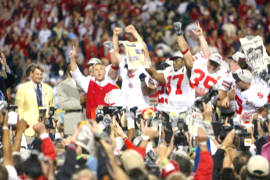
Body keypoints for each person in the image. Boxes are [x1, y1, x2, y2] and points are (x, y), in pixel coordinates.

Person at [69, 46, 120, 119]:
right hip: (93, 122)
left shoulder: (111, 83)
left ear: (105, 70)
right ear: (93, 72)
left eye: (100, 69)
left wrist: (105, 108)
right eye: (95, 69)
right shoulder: (89, 83)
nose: (98, 71)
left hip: (110, 120)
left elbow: (115, 65)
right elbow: (77, 74)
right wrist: (72, 59)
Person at [15, 64, 55, 142]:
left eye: (41, 74)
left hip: (45, 129)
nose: (39, 76)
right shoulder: (22, 88)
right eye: (37, 74)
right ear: (31, 74)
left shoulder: (48, 89)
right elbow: (19, 110)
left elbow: (52, 108)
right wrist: (21, 128)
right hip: (29, 129)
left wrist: (52, 124)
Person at [57, 63, 82, 136]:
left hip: (84, 121)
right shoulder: (62, 85)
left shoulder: (84, 82)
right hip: (71, 120)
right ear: (68, 71)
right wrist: (80, 103)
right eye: (72, 69)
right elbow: (63, 104)